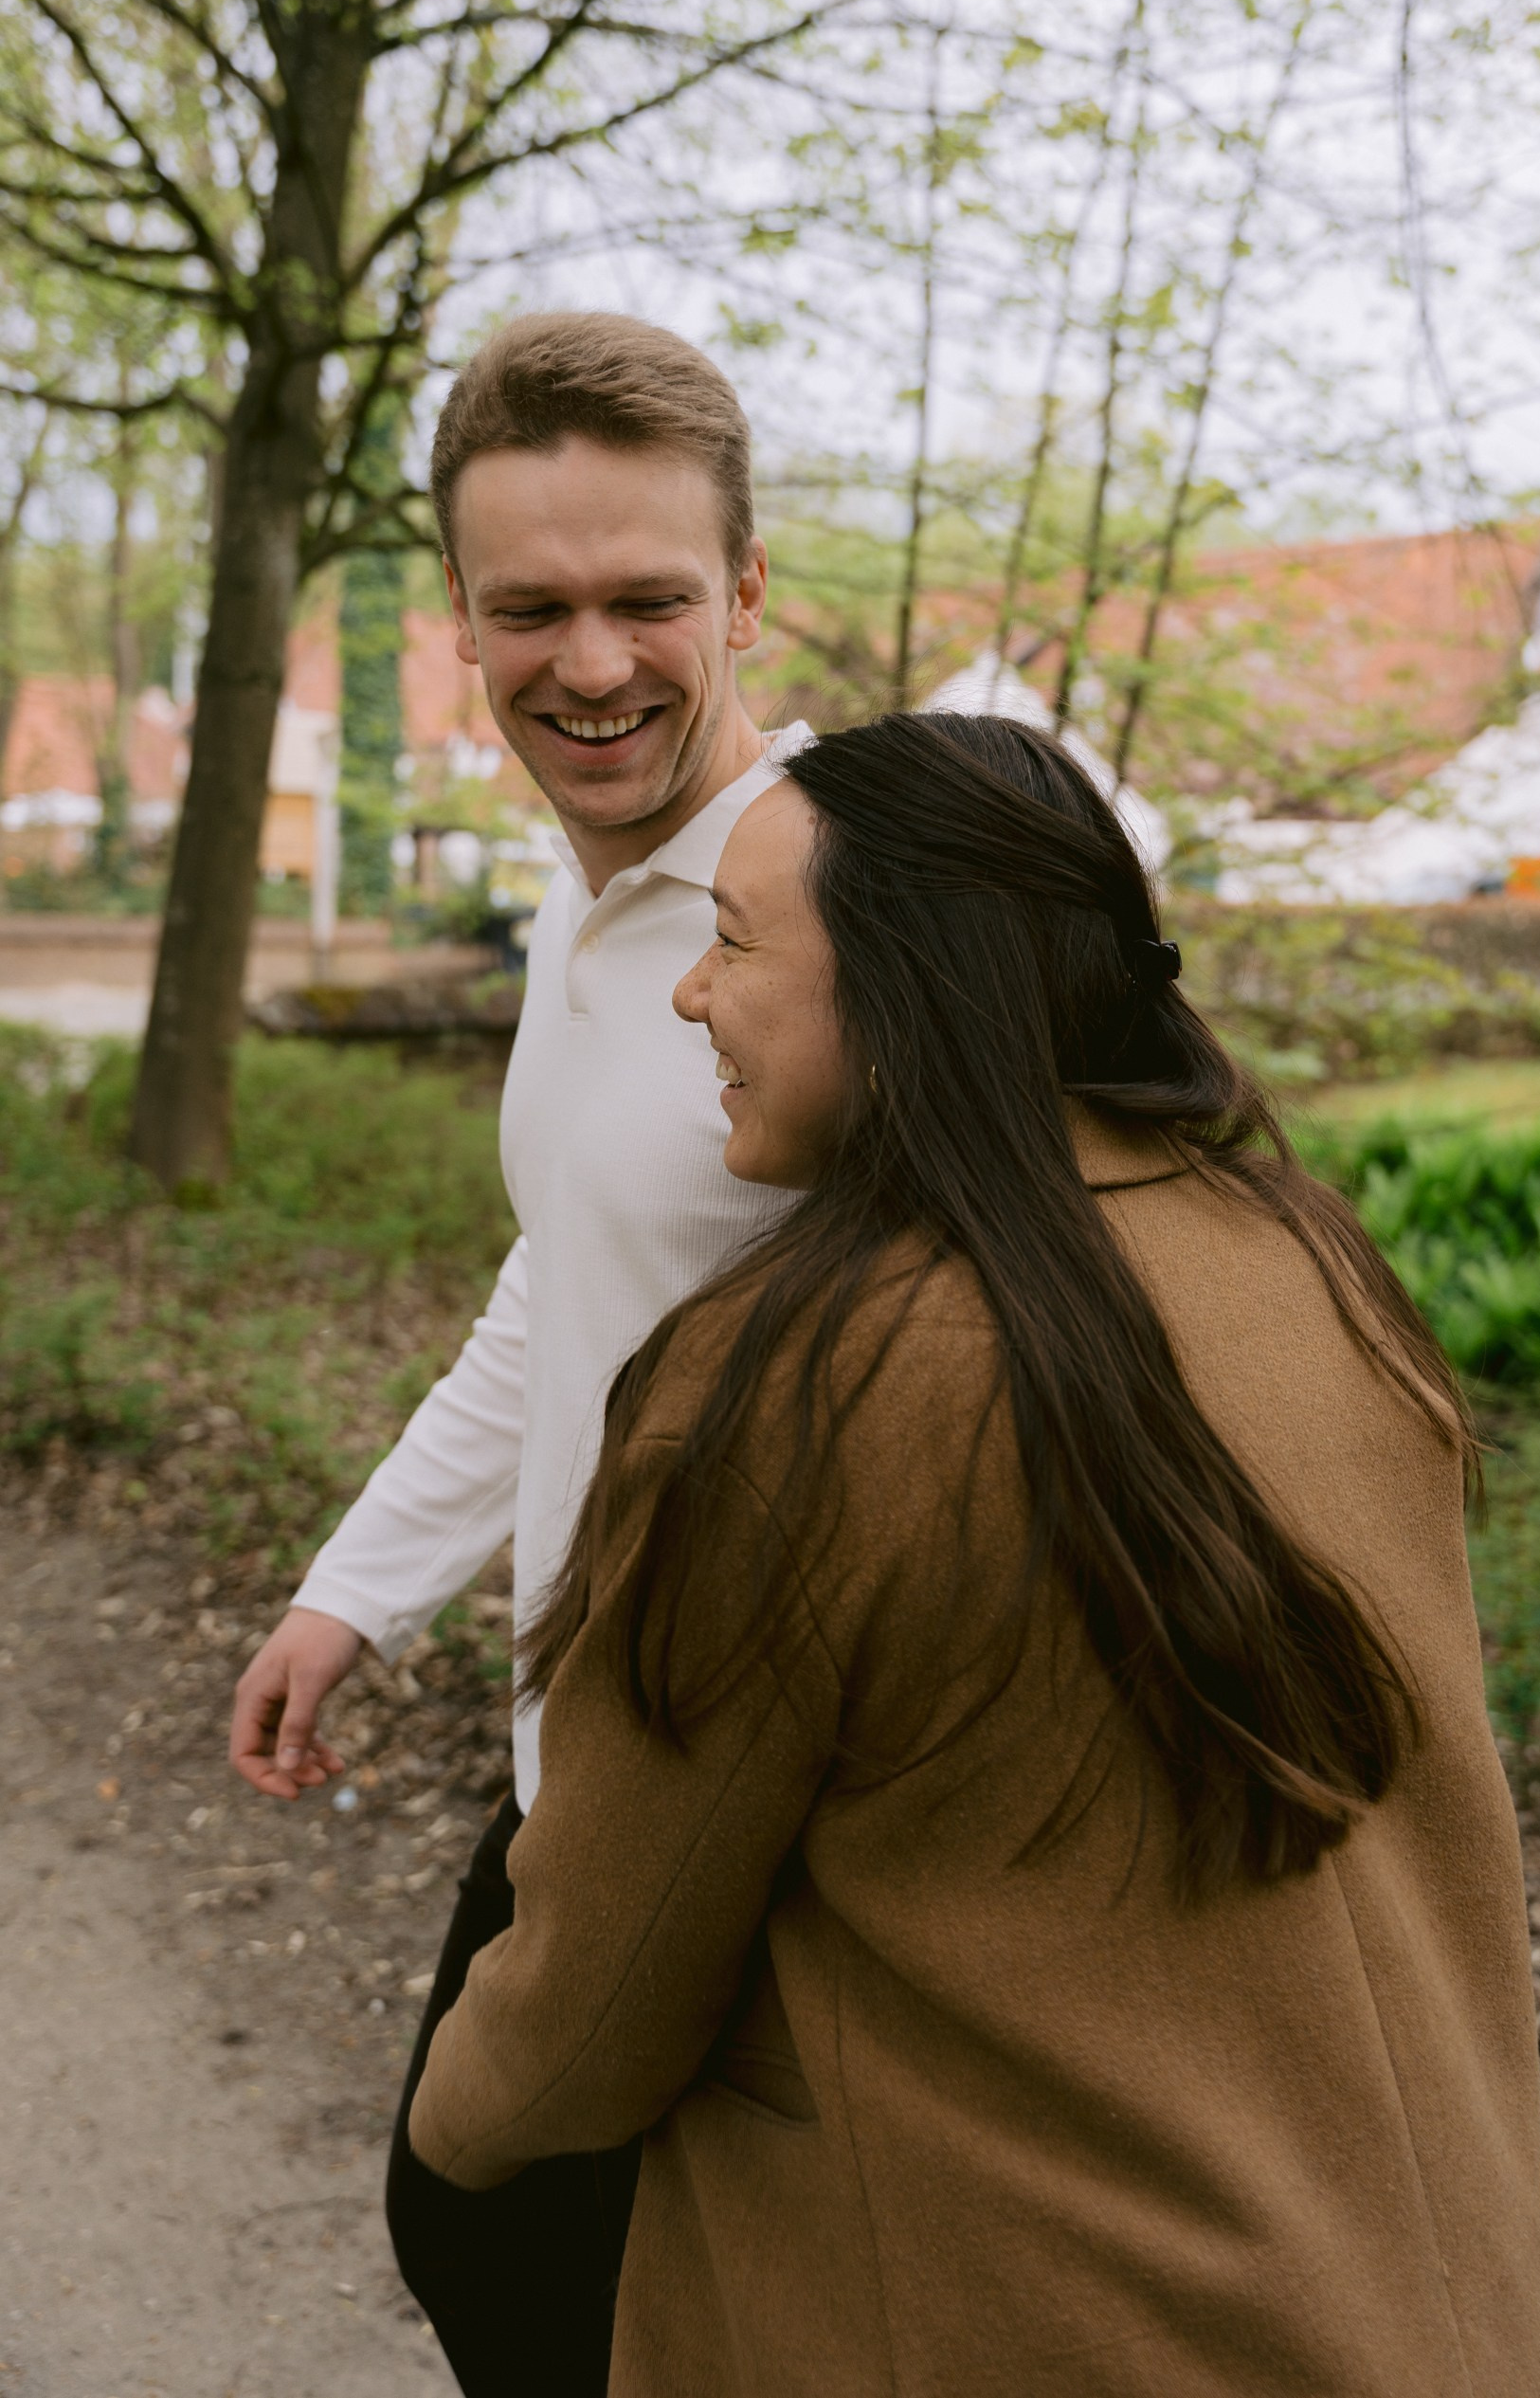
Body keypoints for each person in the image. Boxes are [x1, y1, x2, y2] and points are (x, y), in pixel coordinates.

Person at [408, 712, 1540, 2397]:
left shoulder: (802, 1388)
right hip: (1416, 2302)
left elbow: (601, 1995)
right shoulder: (1314, 1264)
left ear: (908, 986)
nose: (689, 994)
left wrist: (448, 2126)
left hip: (1016, 2320)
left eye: (732, 942)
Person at [226, 313, 809, 2395]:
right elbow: (555, 1276)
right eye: (528, 609)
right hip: (590, 1744)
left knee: (539, 2258)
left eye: (649, 598)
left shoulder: (855, 921)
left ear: (745, 590)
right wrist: (358, 1589)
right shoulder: (590, 910)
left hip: (790, 1824)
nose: (591, 663)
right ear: (458, 629)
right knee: (497, 2247)